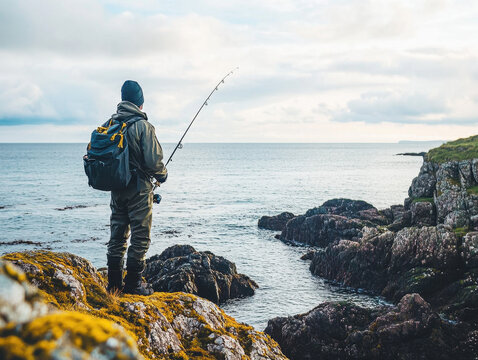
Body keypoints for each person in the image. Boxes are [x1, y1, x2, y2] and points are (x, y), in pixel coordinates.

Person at [106, 80, 168, 295]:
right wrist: (163, 175)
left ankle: (113, 285)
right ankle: (133, 285)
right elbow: (154, 162)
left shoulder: (110, 123)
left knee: (117, 235)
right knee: (140, 237)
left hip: (116, 188)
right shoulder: (143, 126)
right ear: (140, 102)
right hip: (139, 189)